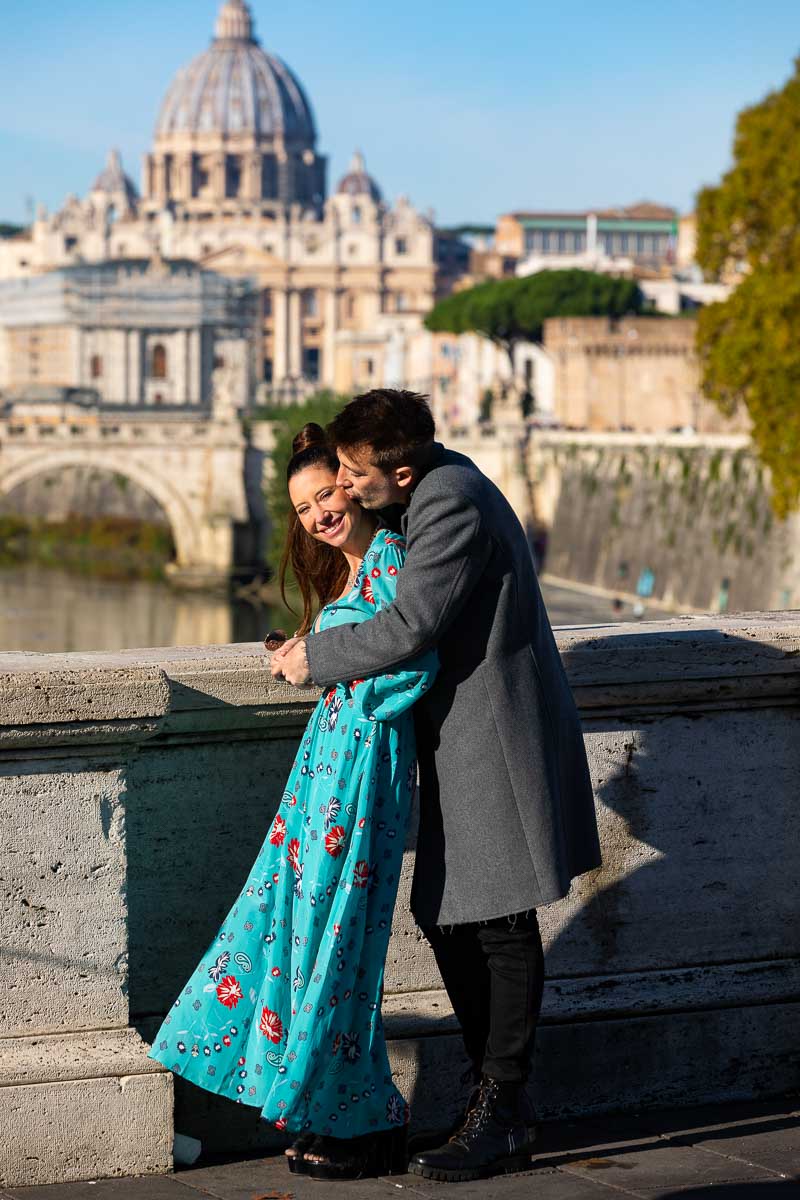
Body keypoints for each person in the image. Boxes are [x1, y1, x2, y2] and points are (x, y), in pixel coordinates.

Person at [272, 390, 602, 1184]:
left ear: (402, 468)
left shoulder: (448, 500)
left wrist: (312, 658)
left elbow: (412, 623)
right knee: (454, 913)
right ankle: (496, 1100)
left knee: (495, 920)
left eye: (352, 474)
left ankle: (504, 1108)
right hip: (464, 734)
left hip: (490, 735)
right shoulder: (436, 489)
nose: (345, 489)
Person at [147, 424, 438, 1182]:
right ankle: (326, 1110)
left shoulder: (393, 563)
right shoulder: (349, 576)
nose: (317, 515)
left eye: (325, 496)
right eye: (303, 507)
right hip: (325, 775)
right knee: (301, 935)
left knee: (338, 943)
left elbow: (409, 668)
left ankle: (368, 1118)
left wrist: (319, 661)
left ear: (354, 486)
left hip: (363, 773)